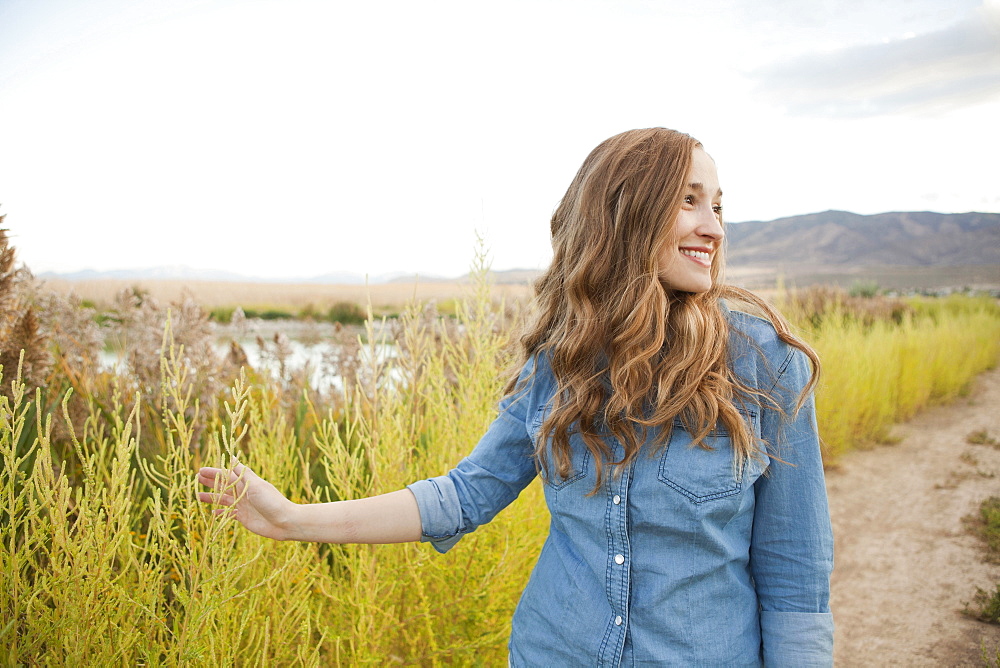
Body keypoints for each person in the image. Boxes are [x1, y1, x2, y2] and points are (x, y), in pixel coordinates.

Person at [197, 127, 834, 666]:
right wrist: (291, 519)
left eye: (718, 206)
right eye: (689, 202)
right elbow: (465, 493)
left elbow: (795, 578)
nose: (713, 228)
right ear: (623, 216)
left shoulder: (762, 363)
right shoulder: (563, 361)